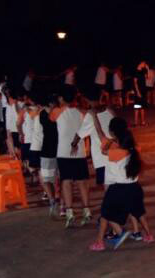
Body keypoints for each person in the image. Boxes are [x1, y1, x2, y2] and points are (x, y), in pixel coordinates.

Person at [89, 117, 154, 251]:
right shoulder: (135, 149)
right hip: (135, 187)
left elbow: (103, 150)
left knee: (105, 214)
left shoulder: (115, 152)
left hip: (118, 188)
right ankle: (149, 235)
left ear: (113, 133)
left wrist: (110, 141)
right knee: (138, 212)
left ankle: (100, 242)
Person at [53, 90, 92, 227]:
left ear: (62, 97)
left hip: (63, 151)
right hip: (79, 152)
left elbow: (50, 119)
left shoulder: (57, 111)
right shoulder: (82, 111)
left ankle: (69, 212)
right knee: (82, 182)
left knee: (66, 182)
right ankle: (86, 210)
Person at [75, 103, 115, 188]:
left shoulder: (106, 143)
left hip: (103, 161)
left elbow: (100, 132)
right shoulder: (124, 144)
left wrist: (94, 116)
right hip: (126, 179)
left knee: (109, 186)